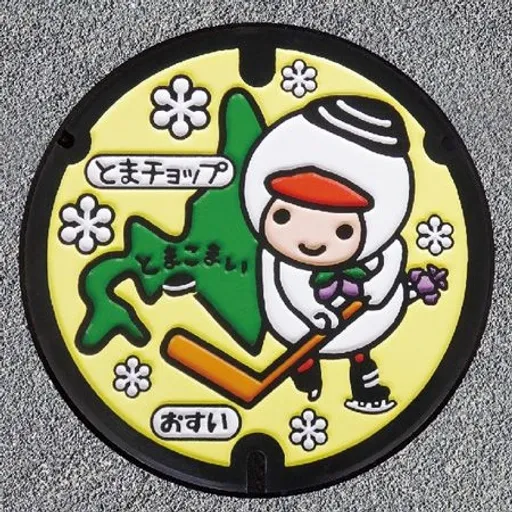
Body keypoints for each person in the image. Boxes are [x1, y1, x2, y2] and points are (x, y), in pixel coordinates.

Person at [243, 96, 413, 413]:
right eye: (284, 216)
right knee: (304, 342)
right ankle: (306, 368)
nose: (311, 242)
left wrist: (378, 288)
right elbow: (291, 287)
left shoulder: (384, 245)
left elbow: (393, 258)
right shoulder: (284, 262)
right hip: (302, 321)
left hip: (363, 320)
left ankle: (364, 382)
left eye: (342, 230)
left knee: (360, 346)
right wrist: (311, 311)